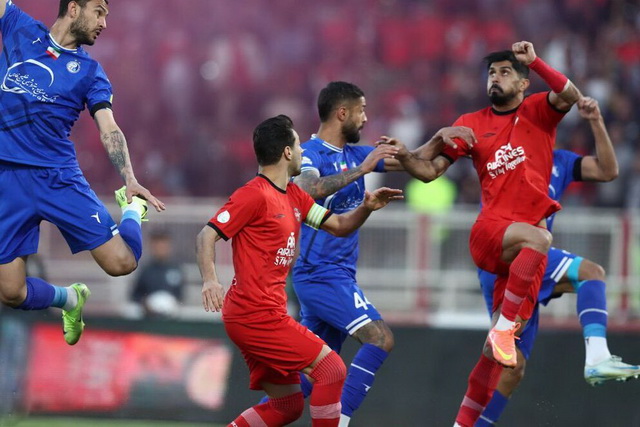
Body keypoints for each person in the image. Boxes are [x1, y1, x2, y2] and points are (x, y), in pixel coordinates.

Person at [386, 42, 581, 426]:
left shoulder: (539, 111)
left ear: (524, 83)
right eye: (491, 73)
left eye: (505, 72)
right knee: (542, 240)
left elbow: (570, 95)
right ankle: (505, 329)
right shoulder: (471, 123)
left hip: (525, 255)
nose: (495, 78)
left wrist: (536, 62)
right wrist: (412, 152)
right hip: (492, 232)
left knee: (507, 362)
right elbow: (428, 172)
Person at [196, 114, 403, 427]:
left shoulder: (295, 197)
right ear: (287, 152)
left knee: (287, 406)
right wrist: (210, 280)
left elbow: (339, 225)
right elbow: (206, 235)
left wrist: (366, 208)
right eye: (298, 145)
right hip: (254, 314)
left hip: (263, 313)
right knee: (331, 369)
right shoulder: (254, 194)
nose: (304, 151)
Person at [290, 81, 475, 426]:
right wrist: (362, 170)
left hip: (337, 274)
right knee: (380, 338)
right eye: (361, 110)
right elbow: (307, 189)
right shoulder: (310, 154)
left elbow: (417, 159)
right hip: (319, 273)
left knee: (306, 379)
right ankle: (340, 421)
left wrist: (440, 138)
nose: (365, 118)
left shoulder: (355, 154)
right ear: (342, 113)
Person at [0, 0, 165, 346]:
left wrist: (130, 179)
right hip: (8, 179)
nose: (104, 22)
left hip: (57, 178)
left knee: (121, 263)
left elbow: (109, 128)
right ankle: (71, 298)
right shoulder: (20, 28)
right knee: (11, 292)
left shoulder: (90, 72)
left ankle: (132, 210)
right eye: (99, 11)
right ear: (73, 8)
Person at [476, 98, 640, 425]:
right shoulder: (507, 156)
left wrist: (596, 120)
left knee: (513, 367)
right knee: (591, 273)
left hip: (535, 261)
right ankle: (597, 357)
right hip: (507, 256)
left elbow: (608, 171)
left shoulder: (559, 161)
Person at [131, 229, 184, 318]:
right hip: (148, 316)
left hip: (171, 316)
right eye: (157, 245)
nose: (160, 248)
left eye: (163, 245)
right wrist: (146, 304)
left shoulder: (176, 269)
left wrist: (173, 304)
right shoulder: (146, 270)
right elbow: (136, 295)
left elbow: (180, 295)